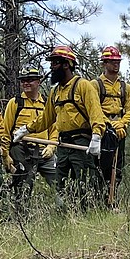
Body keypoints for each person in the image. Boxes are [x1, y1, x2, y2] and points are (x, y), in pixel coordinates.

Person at [42, 44, 107, 208]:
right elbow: (46, 119)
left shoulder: (83, 86)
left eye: (55, 62)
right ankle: (64, 218)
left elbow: (96, 113)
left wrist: (96, 137)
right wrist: (26, 130)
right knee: (61, 187)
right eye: (51, 63)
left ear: (66, 64)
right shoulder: (55, 92)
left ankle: (90, 217)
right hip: (63, 145)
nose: (51, 67)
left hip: (82, 144)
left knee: (86, 185)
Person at [2, 67, 57, 211]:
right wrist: (5, 155)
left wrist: (51, 147)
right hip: (22, 150)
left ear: (38, 82)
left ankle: (66, 214)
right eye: (23, 81)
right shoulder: (15, 103)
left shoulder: (46, 103)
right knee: (24, 186)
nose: (26, 83)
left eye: (30, 80)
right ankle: (22, 217)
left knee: (59, 182)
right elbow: (5, 131)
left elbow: (54, 129)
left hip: (44, 150)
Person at [93, 45, 130, 202]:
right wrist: (110, 124)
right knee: (101, 165)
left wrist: (122, 124)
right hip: (102, 130)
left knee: (117, 166)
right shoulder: (95, 85)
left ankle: (112, 198)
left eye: (117, 61)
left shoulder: (125, 87)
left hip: (119, 130)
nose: (115, 64)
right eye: (111, 61)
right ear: (104, 63)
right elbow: (94, 108)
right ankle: (99, 199)